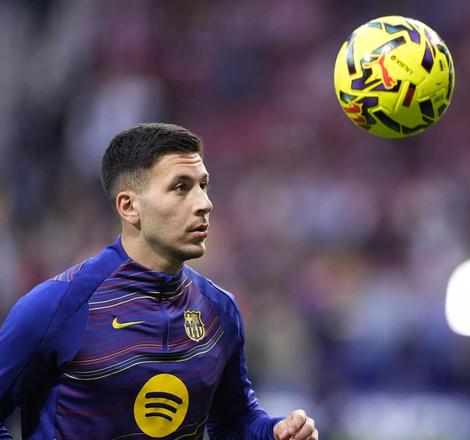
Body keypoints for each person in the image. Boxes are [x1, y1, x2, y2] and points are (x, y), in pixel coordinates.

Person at [0, 123, 318, 440]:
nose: (204, 203)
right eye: (181, 187)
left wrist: (276, 433)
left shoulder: (219, 310)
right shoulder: (58, 306)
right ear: (129, 206)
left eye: (203, 185)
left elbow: (235, 422)